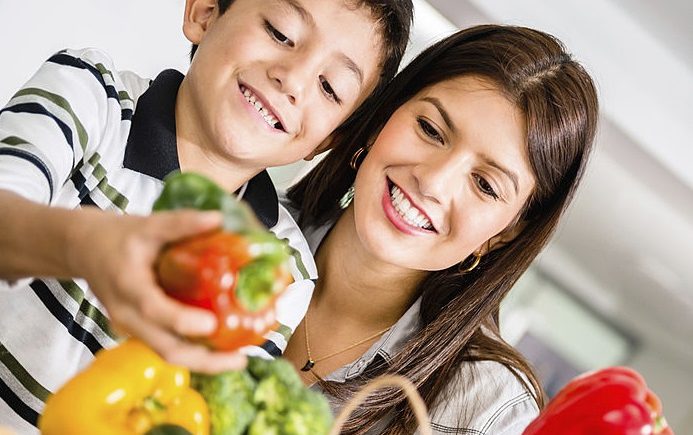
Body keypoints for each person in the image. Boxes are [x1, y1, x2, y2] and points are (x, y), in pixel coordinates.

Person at [0, 0, 413, 430]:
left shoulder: (283, 271)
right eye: (280, 32)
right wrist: (84, 244)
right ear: (204, 13)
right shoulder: (89, 95)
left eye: (330, 87)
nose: (292, 80)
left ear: (327, 141)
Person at [284, 24, 599, 434]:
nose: (432, 182)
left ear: (506, 233)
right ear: (384, 115)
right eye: (430, 130)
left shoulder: (488, 408)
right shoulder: (235, 220)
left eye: (485, 184)